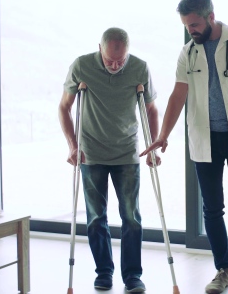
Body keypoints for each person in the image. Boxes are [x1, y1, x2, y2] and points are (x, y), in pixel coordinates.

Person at [140, 0, 228, 294]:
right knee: (212, 209)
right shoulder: (188, 52)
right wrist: (162, 137)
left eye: (195, 24)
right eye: (187, 26)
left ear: (211, 17)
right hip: (204, 140)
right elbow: (178, 95)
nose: (191, 30)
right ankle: (222, 271)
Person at [59, 27, 159, 293]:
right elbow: (64, 107)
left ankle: (132, 276)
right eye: (109, 61)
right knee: (95, 218)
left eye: (120, 61)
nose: (115, 66)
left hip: (127, 152)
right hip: (91, 152)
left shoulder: (140, 68)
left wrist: (153, 146)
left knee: (131, 217)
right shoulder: (82, 66)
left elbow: (150, 108)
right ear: (99, 49)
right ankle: (104, 272)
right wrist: (72, 145)